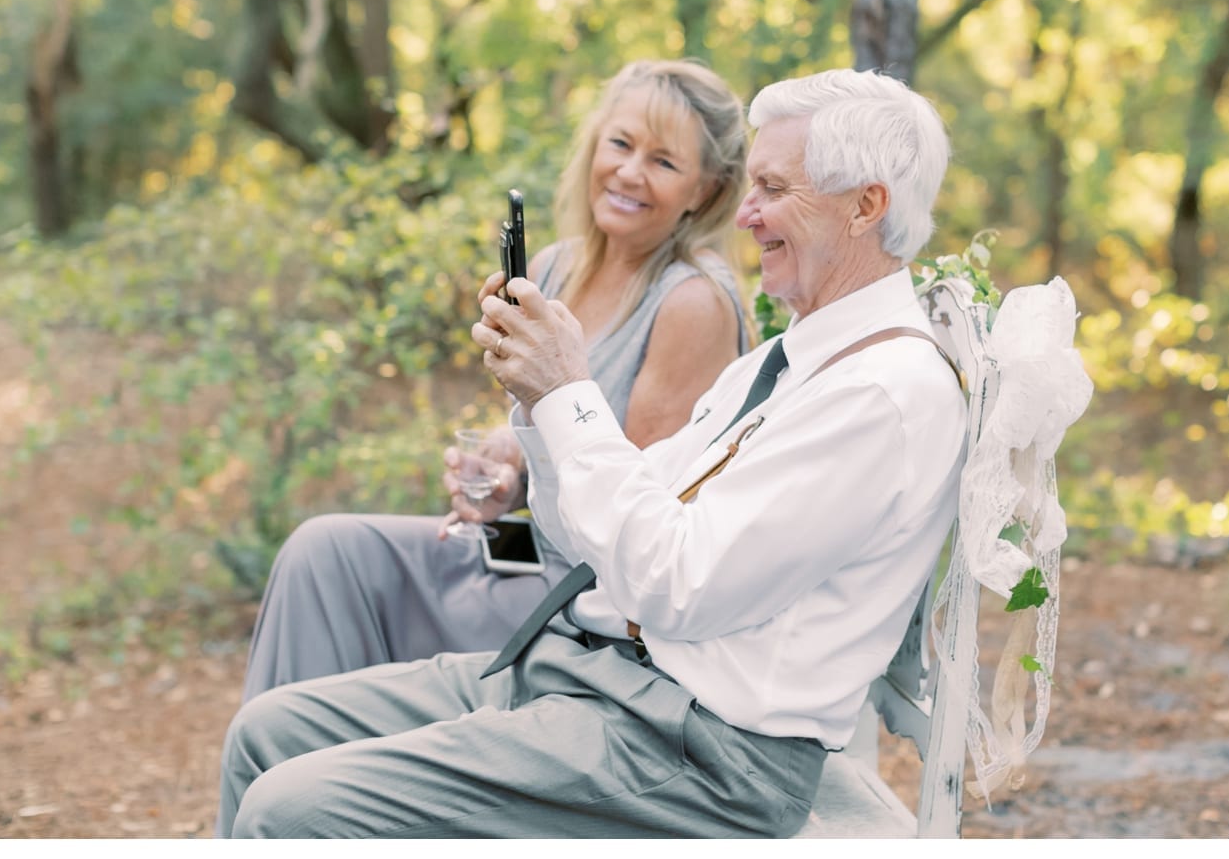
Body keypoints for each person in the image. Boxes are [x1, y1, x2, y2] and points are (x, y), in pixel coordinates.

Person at [217, 67, 968, 839]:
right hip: (597, 674)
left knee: (291, 810)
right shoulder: (788, 361)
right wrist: (539, 411)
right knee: (267, 732)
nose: (745, 215)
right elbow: (602, 528)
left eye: (773, 189)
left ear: (865, 206)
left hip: (702, 752)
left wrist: (570, 391)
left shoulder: (879, 395)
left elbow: (675, 585)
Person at [237, 59, 752, 701]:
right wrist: (503, 476)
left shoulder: (692, 303)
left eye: (664, 162)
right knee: (322, 553)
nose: (629, 172)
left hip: (582, 607)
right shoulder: (554, 268)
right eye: (620, 144)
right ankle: (280, 791)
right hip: (520, 549)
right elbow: (539, 435)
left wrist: (526, 488)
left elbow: (640, 518)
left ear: (705, 190)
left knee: (359, 584)